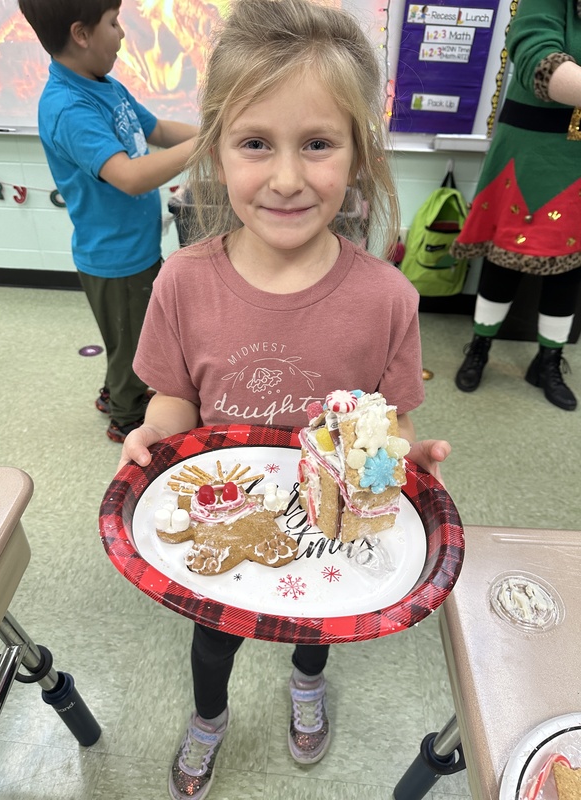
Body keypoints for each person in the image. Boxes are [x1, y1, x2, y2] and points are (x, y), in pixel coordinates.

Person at [118, 0, 450, 796]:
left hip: (326, 531)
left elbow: (392, 426)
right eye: (256, 143)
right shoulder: (184, 282)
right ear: (217, 149)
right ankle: (208, 718)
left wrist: (406, 458)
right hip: (222, 515)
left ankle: (307, 682)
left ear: (359, 153)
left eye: (319, 144)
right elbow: (172, 405)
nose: (289, 178)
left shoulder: (387, 299)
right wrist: (150, 441)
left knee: (314, 628)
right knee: (214, 640)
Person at [18, 0, 198, 441]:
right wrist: (210, 146)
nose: (122, 34)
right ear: (81, 34)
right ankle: (127, 416)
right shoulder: (68, 108)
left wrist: (220, 130)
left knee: (130, 335)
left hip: (134, 247)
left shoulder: (105, 86)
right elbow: (131, 177)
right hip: (114, 260)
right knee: (135, 342)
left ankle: (115, 389)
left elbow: (155, 130)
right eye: (114, 23)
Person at [452, 0, 581, 411]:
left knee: (570, 265)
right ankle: (480, 347)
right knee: (505, 255)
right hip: (530, 148)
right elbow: (535, 55)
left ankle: (548, 361)